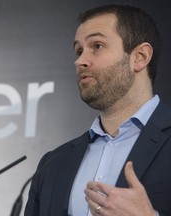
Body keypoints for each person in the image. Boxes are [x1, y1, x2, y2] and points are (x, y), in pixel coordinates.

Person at [24, 4, 171, 216]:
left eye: (97, 46)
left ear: (140, 57)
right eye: (79, 50)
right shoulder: (52, 164)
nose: (80, 61)